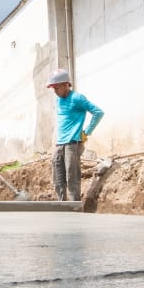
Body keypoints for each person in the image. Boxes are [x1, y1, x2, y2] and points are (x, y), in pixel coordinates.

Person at [46, 69, 103, 202]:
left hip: (73, 143)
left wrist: (87, 132)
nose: (55, 91)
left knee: (72, 178)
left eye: (57, 87)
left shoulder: (77, 98)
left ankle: (74, 208)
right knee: (58, 178)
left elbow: (98, 112)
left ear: (66, 84)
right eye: (53, 88)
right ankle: (62, 206)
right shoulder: (58, 100)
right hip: (59, 143)